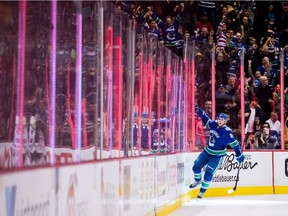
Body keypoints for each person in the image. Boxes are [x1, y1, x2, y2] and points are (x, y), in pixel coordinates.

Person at [189, 106, 244, 199]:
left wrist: (238, 154)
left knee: (208, 173)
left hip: (217, 156)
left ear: (225, 121)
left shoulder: (227, 132)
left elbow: (234, 144)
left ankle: (202, 191)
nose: (219, 120)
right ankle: (197, 180)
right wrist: (200, 112)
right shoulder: (214, 124)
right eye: (218, 118)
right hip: (207, 151)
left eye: (221, 119)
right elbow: (206, 119)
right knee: (195, 167)